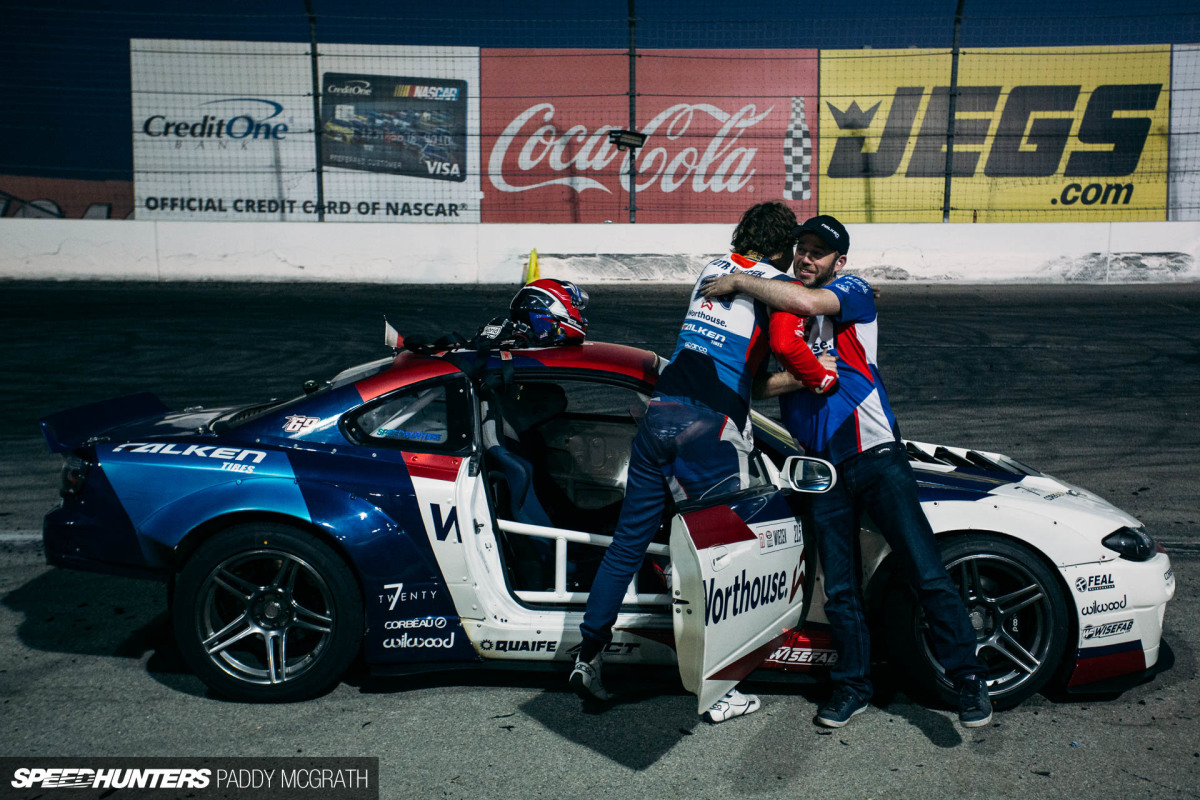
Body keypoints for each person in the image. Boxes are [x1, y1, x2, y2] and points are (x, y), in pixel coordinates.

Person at [699, 214, 993, 729]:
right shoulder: (778, 304)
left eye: (819, 252)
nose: (806, 258)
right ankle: (853, 686)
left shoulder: (852, 290)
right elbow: (755, 386)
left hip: (875, 457)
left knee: (925, 570)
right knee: (840, 589)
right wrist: (801, 377)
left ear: (840, 262)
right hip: (820, 469)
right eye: (802, 249)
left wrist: (740, 280)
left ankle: (968, 681)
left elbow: (810, 304)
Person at [569, 201, 836, 722]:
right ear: (782, 248)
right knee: (726, 557)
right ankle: (720, 689)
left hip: (660, 413)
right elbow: (790, 327)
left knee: (626, 545)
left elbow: (739, 374)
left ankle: (588, 654)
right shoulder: (776, 287)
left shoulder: (713, 270)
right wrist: (815, 372)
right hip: (708, 428)